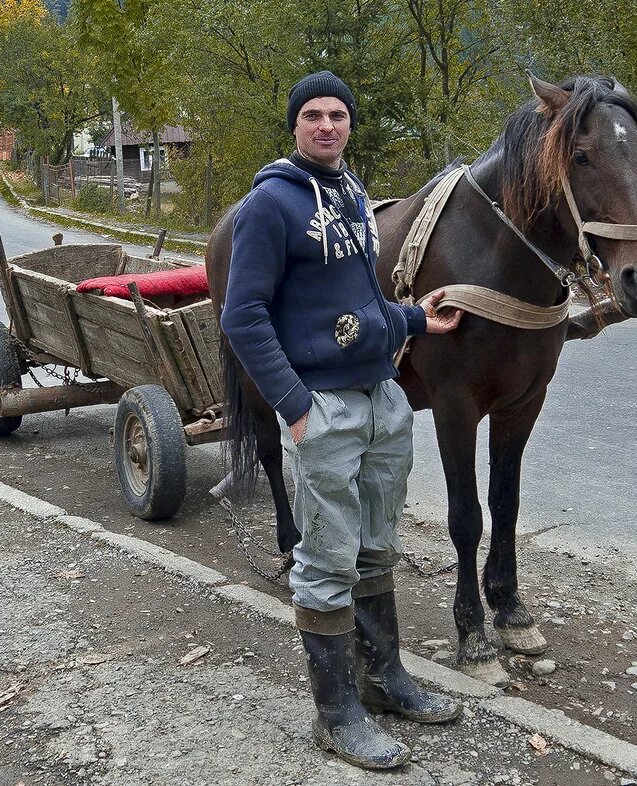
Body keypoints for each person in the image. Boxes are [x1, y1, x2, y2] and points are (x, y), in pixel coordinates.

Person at [220, 71, 464, 770]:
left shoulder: (354, 194)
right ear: (294, 125)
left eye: (337, 115)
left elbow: (355, 304)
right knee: (325, 562)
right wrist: (295, 409)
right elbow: (243, 315)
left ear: (350, 124)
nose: (326, 125)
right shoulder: (270, 204)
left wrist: (418, 317)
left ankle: (383, 681)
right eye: (313, 116)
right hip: (321, 406)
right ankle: (337, 715)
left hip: (381, 395)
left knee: (375, 547)